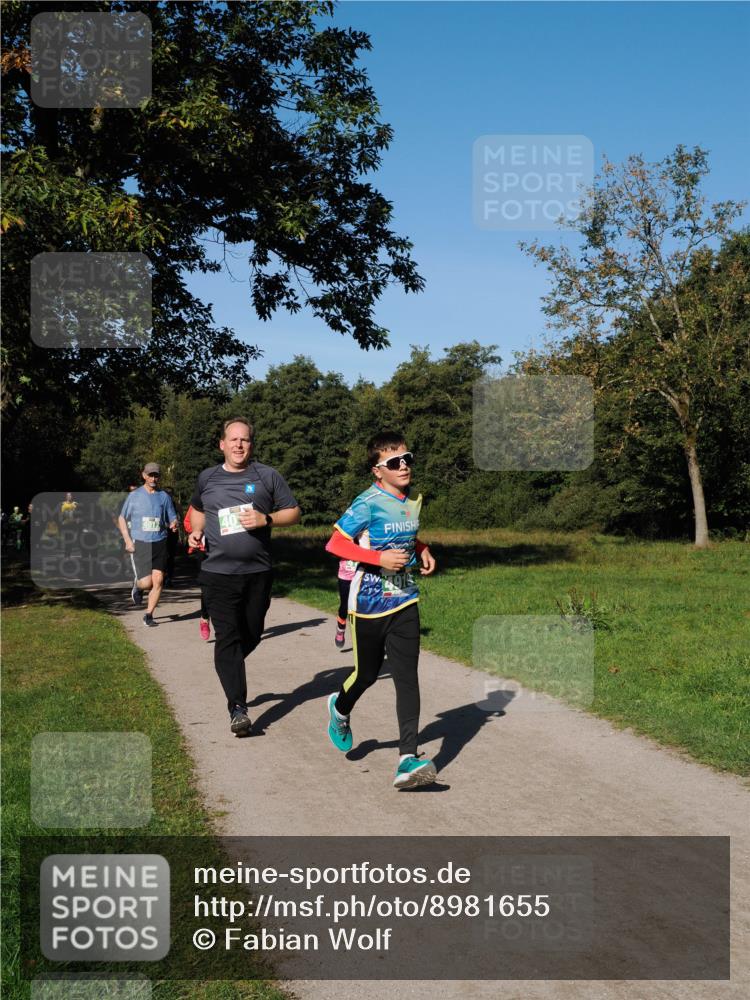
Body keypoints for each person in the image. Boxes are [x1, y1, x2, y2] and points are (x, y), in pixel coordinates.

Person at [324, 430, 437, 790]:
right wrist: (378, 558)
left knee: (407, 677)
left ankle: (408, 757)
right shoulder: (367, 502)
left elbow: (404, 532)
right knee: (367, 674)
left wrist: (422, 549)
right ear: (378, 470)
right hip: (370, 604)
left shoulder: (408, 500)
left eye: (407, 458)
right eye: (393, 462)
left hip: (405, 598)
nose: (403, 465)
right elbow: (336, 543)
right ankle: (340, 709)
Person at [187, 418, 301, 735]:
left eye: (245, 440)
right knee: (228, 638)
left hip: (257, 573)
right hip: (216, 573)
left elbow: (293, 512)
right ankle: (238, 707)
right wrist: (195, 531)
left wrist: (266, 518)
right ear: (222, 444)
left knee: (250, 633)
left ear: (252, 444)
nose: (239, 445)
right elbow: (197, 509)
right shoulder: (207, 478)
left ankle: (228, 663)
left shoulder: (267, 476)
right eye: (233, 439)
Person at [118, 462, 178, 627]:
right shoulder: (134, 496)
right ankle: (137, 586)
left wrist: (173, 523)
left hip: (160, 541)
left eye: (156, 475)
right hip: (141, 542)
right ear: (143, 475)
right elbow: (122, 518)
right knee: (147, 583)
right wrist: (127, 540)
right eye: (150, 475)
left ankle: (149, 615)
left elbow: (172, 517)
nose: (153, 478)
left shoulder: (164, 497)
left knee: (158, 580)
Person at [184, 503, 211, 641]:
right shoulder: (201, 500)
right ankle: (205, 618)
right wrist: (199, 528)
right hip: (204, 550)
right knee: (207, 587)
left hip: (227, 549)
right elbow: (188, 523)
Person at [334, 558, 357, 648]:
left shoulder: (364, 542)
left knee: (361, 607)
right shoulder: (344, 542)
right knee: (345, 606)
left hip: (361, 575)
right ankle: (340, 629)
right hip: (345, 576)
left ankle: (360, 636)